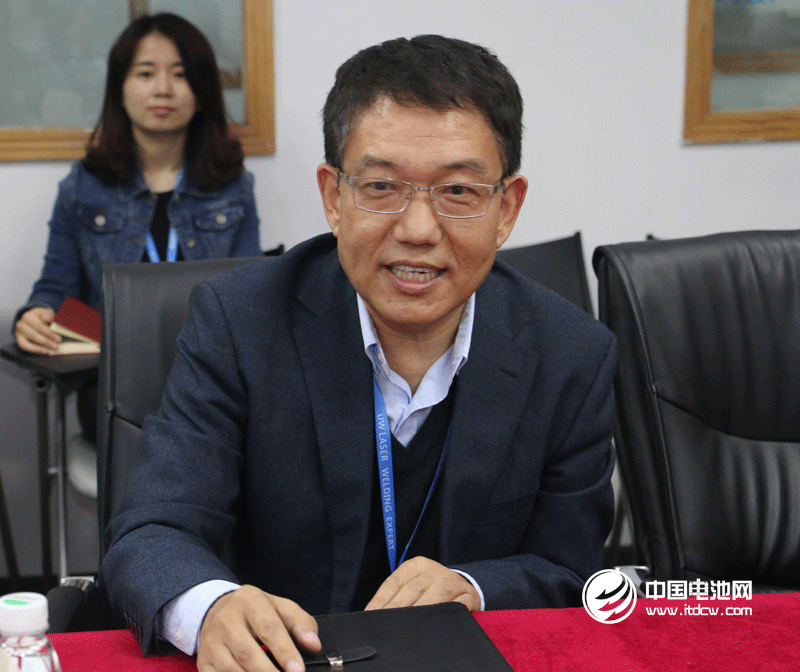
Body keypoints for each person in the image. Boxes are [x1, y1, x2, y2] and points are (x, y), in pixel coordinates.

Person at [100, 35, 616, 672]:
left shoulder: (572, 355)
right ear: (333, 198)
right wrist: (211, 607)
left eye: (458, 191)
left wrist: (477, 587)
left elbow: (574, 573)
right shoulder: (240, 322)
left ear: (505, 208)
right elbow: (152, 531)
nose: (418, 230)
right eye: (381, 186)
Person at [12, 12, 262, 446]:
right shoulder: (82, 186)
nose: (162, 89)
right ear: (120, 89)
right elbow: (56, 289)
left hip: (208, 379)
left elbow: (251, 295)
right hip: (115, 386)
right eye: (145, 73)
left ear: (202, 91)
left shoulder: (231, 186)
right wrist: (34, 315)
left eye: (180, 74)